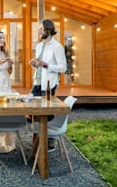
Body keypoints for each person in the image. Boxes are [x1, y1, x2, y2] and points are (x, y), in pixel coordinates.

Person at [29, 19, 67, 150]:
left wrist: (45, 64)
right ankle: (37, 138)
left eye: (41, 29)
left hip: (49, 85)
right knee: (32, 111)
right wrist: (35, 64)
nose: (39, 31)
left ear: (49, 30)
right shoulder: (39, 46)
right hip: (37, 83)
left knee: (47, 113)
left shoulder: (57, 47)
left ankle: (49, 140)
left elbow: (63, 68)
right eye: (39, 29)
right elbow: (40, 65)